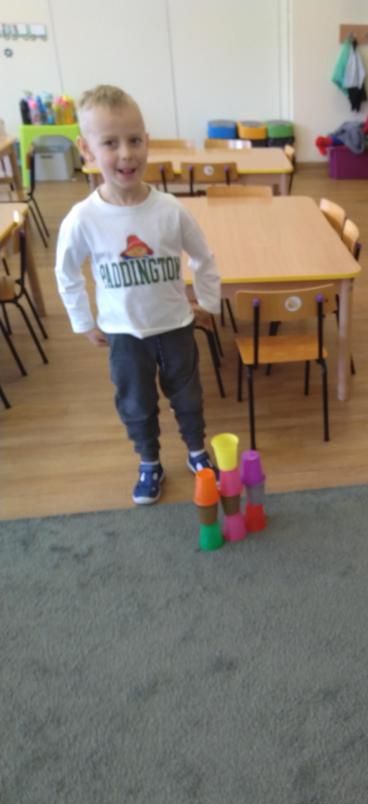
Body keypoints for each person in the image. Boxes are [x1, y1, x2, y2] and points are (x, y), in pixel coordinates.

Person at [55, 85, 221, 506]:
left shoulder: (170, 210)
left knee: (188, 396)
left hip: (176, 327)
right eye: (110, 143)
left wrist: (208, 302)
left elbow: (203, 257)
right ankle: (149, 461)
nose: (126, 154)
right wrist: (83, 321)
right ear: (86, 149)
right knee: (135, 403)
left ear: (147, 141)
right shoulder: (83, 219)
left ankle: (197, 451)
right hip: (124, 334)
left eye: (134, 140)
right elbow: (67, 272)